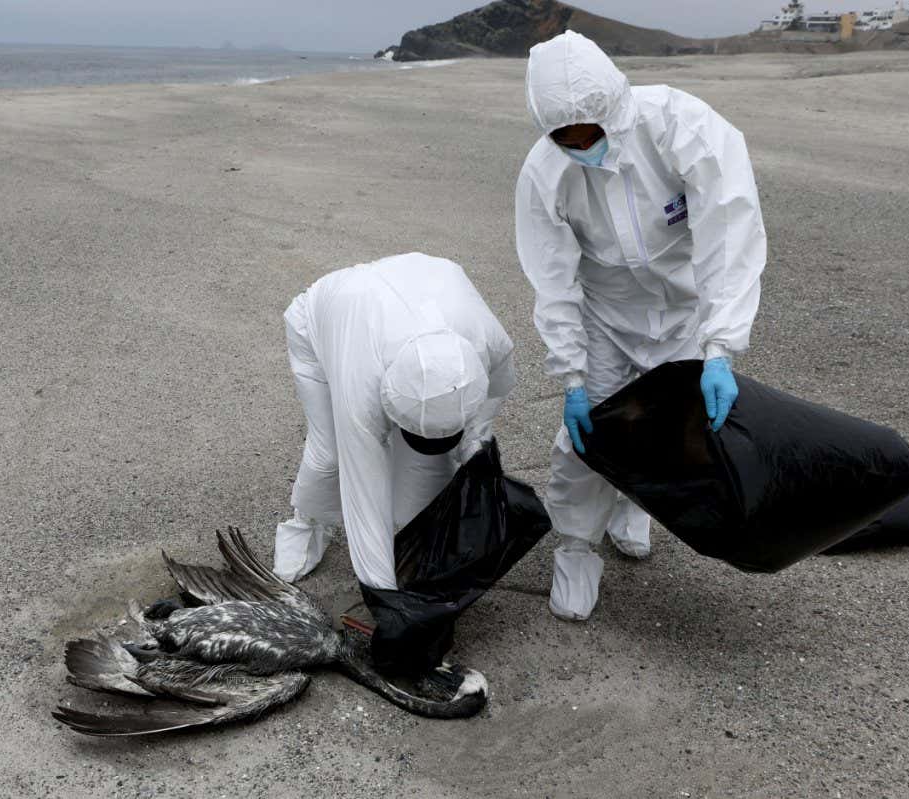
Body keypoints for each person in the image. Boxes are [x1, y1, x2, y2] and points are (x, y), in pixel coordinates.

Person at [515, 31, 767, 621]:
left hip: (682, 310)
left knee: (667, 428)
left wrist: (722, 347)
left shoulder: (683, 126)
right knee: (587, 436)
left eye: (589, 134)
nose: (580, 146)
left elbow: (729, 236)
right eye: (564, 138)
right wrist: (571, 375)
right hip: (604, 314)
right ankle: (577, 545)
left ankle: (634, 508)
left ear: (615, 111)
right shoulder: (544, 173)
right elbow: (552, 280)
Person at [274, 252, 517, 596]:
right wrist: (383, 595)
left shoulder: (486, 341)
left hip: (419, 292)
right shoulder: (360, 378)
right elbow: (363, 493)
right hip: (323, 321)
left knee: (427, 487)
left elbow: (494, 390)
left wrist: (474, 445)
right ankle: (309, 522)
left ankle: (416, 545)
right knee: (328, 456)